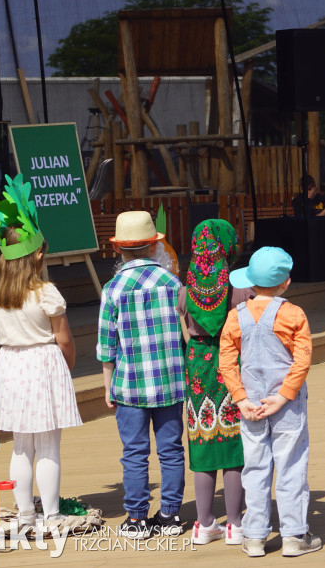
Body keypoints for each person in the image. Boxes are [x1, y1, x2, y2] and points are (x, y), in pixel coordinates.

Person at [0, 176, 82, 532]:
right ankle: (51, 516)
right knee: (48, 444)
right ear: (37, 255)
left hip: (11, 366)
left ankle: (25, 515)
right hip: (43, 363)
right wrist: (68, 364)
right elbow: (63, 339)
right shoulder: (45, 293)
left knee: (21, 447)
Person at [219, 247, 322, 558]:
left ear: (250, 283)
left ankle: (253, 536)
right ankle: (293, 535)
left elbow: (227, 362)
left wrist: (239, 398)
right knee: (291, 465)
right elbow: (302, 360)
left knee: (255, 467)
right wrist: (283, 395)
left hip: (250, 404)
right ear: (286, 283)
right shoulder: (294, 314)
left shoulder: (235, 317)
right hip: (286, 404)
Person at [97, 211, 186, 539]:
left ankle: (136, 519)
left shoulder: (112, 289)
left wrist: (108, 387)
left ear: (119, 249)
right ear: (153, 246)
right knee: (171, 448)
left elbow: (107, 346)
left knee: (134, 451)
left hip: (129, 386)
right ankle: (170, 516)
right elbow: (185, 333)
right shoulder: (173, 283)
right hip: (170, 383)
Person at [177, 219, 253, 546]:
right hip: (231, 366)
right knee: (234, 446)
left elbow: (185, 322)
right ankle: (235, 524)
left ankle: (205, 522)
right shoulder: (240, 291)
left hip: (197, 370)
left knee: (204, 440)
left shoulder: (183, 292)